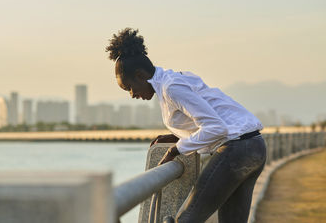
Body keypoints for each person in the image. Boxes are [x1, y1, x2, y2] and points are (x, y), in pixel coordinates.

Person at [105, 28, 267, 223]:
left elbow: (217, 127)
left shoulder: (171, 87)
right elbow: (208, 118)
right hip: (255, 145)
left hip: (237, 149)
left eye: (129, 88)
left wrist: (176, 149)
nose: (132, 95)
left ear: (140, 76)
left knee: (187, 219)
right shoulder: (173, 80)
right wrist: (179, 136)